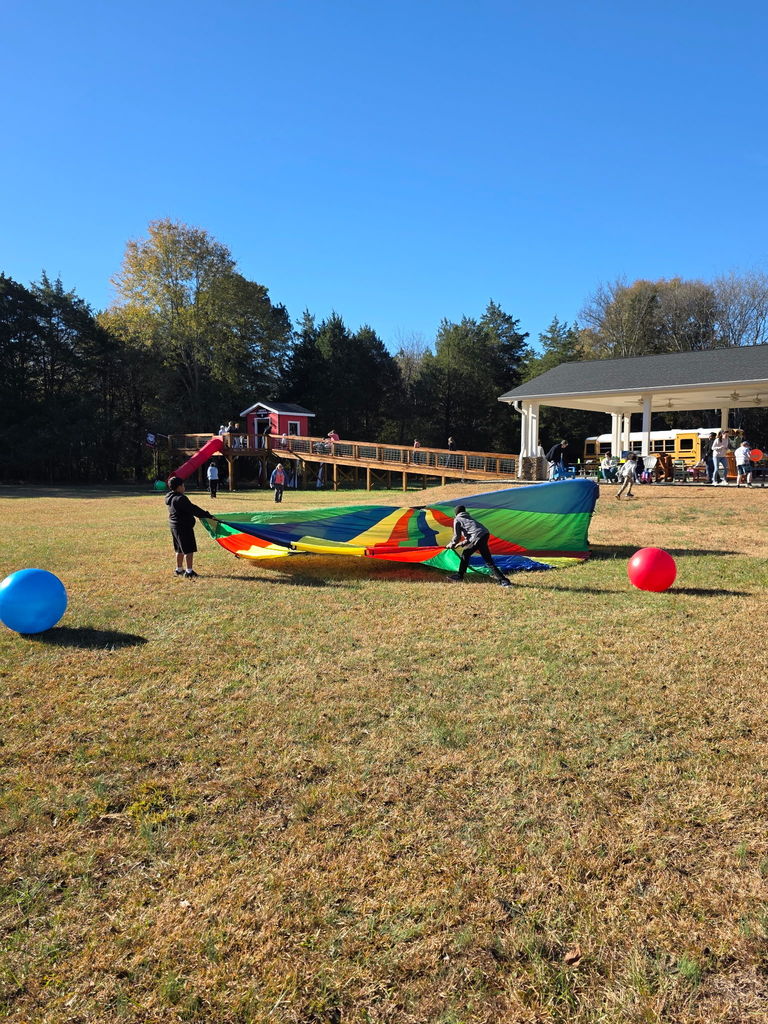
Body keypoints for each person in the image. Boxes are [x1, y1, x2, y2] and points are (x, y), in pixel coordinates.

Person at [446, 505, 512, 587]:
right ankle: (504, 581)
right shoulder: (469, 518)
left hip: (477, 536)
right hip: (484, 534)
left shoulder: (457, 519)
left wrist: (451, 544)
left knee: (466, 553)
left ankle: (460, 575)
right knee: (488, 561)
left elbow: (457, 536)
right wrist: (461, 544)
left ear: (456, 513)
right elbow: (471, 536)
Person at [165, 476, 215, 578]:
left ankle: (179, 569)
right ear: (179, 487)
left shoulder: (169, 497)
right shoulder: (181, 498)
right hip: (183, 527)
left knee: (179, 549)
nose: (184, 487)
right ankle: (189, 572)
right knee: (188, 549)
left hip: (174, 527)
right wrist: (207, 515)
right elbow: (193, 509)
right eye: (183, 485)